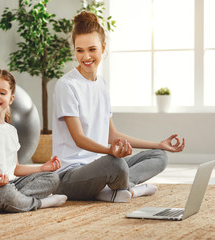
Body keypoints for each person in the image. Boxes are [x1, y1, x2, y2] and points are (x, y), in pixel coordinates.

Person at [52, 11, 185, 203]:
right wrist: (110, 152)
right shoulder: (67, 85)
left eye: (92, 49)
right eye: (80, 50)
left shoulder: (102, 84)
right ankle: (126, 190)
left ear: (103, 48)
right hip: (70, 176)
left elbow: (111, 135)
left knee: (159, 157)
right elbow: (79, 139)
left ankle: (112, 189)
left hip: (99, 166)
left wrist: (158, 143)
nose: (86, 56)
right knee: (115, 165)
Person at [0, 69, 67, 213]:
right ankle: (40, 203)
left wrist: (42, 168)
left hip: (11, 184)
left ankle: (7, 204)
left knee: (52, 178)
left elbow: (15, 168)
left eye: (2, 93)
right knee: (5, 193)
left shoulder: (11, 130)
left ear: (11, 98)